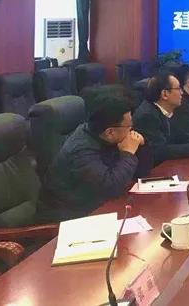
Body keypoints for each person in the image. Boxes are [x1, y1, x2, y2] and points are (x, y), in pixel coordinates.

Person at [36, 93, 144, 222]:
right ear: (110, 132)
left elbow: (142, 172)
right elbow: (110, 188)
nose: (131, 129)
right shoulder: (81, 151)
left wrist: (141, 146)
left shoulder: (104, 135)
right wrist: (129, 153)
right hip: (69, 216)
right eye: (128, 126)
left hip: (95, 205)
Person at [133, 72, 189, 164]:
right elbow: (160, 151)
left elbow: (179, 136)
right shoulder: (147, 116)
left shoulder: (162, 110)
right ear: (165, 94)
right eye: (178, 89)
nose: (182, 93)